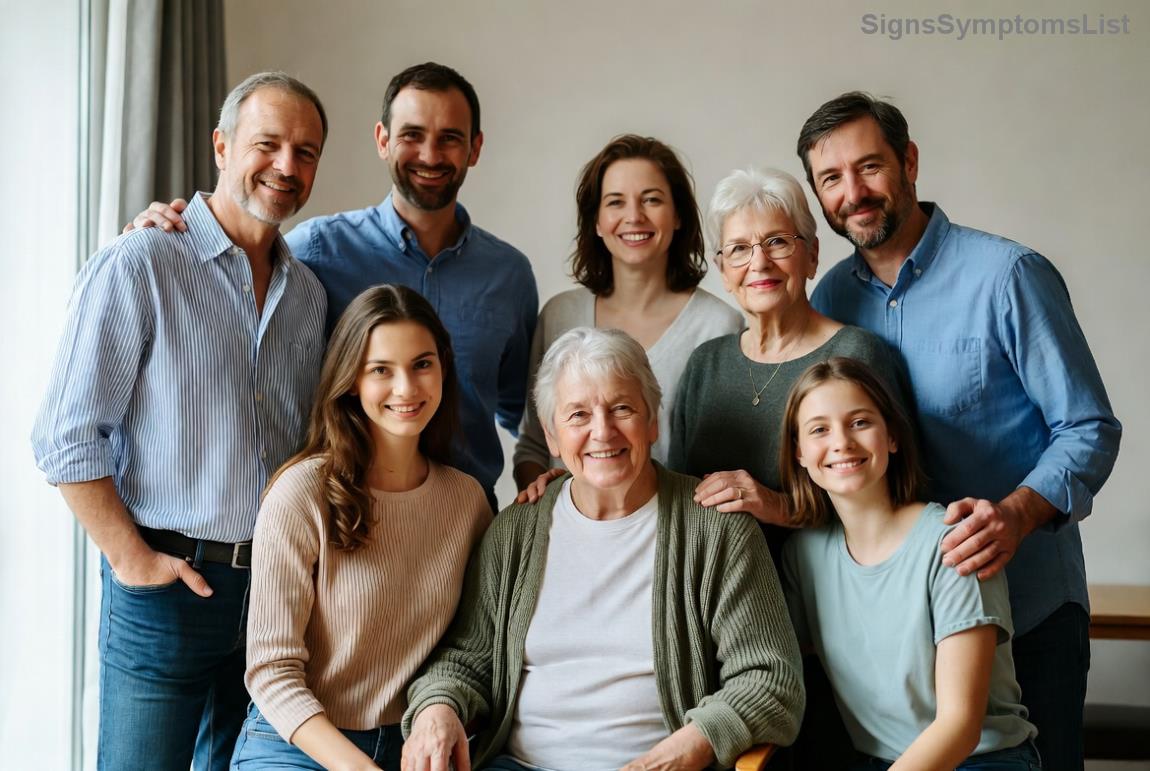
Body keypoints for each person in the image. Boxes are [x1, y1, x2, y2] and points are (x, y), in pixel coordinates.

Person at [797, 91, 1121, 769]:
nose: (853, 192)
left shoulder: (1007, 276)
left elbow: (1088, 427)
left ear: (909, 161)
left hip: (1028, 608)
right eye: (831, 178)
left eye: (870, 167)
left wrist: (1015, 514)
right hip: (902, 640)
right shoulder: (829, 303)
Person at [31, 72, 329, 770]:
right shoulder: (141, 262)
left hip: (273, 599)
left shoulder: (309, 294)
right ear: (222, 145)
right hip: (166, 588)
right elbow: (65, 436)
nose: (287, 165)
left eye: (306, 151)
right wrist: (133, 560)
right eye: (268, 143)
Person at [127, 62, 538, 509]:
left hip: (471, 524)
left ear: (475, 148)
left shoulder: (509, 275)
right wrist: (166, 226)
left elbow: (531, 417)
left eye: (450, 138)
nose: (430, 155)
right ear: (382, 140)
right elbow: (232, 270)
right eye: (412, 135)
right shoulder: (315, 251)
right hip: (348, 523)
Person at [401, 327, 804, 771]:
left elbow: (771, 679)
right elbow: (465, 658)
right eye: (577, 415)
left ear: (652, 422)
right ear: (552, 438)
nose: (602, 432)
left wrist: (693, 743)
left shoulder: (715, 528)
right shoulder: (517, 528)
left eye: (622, 408)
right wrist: (436, 709)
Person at [232, 285, 491, 770]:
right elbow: (271, 672)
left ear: (443, 368)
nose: (407, 389)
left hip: (413, 748)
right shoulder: (301, 493)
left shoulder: (466, 501)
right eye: (381, 370)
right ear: (351, 379)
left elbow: (472, 648)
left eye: (422, 364)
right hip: (297, 745)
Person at [779, 358, 1040, 770]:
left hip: (980, 759)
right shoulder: (802, 556)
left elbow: (960, 726)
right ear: (799, 453)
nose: (842, 442)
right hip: (879, 760)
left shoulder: (953, 542)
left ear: (893, 437)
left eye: (860, 422)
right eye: (819, 429)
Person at [668, 166, 903, 551]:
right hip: (718, 595)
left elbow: (891, 497)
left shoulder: (856, 353)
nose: (759, 263)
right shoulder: (705, 365)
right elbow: (678, 495)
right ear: (724, 271)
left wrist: (777, 506)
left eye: (777, 242)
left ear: (811, 255)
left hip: (823, 593)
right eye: (740, 249)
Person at [513, 134, 742, 495]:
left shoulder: (719, 326)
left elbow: (723, 461)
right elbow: (532, 446)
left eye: (651, 200)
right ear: (597, 222)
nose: (634, 217)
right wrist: (544, 505)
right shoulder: (559, 315)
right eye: (615, 202)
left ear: (678, 214)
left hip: (674, 533)